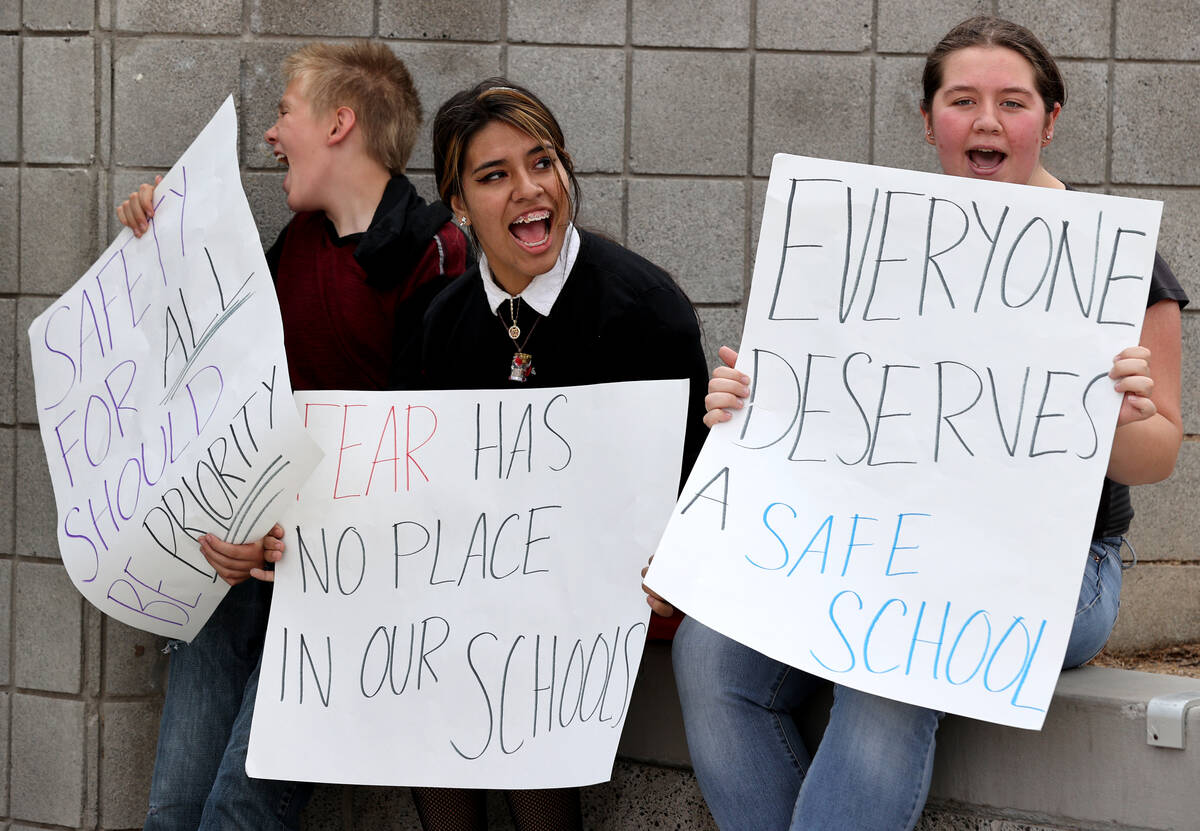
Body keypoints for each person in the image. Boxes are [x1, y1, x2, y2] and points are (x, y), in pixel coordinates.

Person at [655, 15, 1188, 831]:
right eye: (961, 99)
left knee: (887, 669)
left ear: (1050, 120)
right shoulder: (863, 244)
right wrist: (745, 405)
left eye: (1012, 102)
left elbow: (1158, 455)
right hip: (877, 544)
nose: (985, 121)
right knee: (707, 654)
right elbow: (827, 410)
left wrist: (1110, 418)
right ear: (928, 118)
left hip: (1052, 570)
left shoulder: (1111, 261)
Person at [118, 41, 467, 830]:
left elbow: (427, 454)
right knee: (173, 812)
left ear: (340, 122)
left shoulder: (431, 255)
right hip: (234, 560)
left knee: (240, 814)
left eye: (284, 112)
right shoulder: (298, 242)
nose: (271, 134)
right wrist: (155, 235)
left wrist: (292, 526)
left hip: (341, 585)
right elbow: (220, 361)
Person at [410, 78, 710, 830]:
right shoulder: (439, 323)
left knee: (512, 668)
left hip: (610, 601)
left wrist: (674, 562)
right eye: (494, 175)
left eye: (541, 163)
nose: (528, 189)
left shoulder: (643, 308)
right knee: (429, 673)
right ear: (456, 204)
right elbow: (410, 489)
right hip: (486, 598)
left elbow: (696, 482)